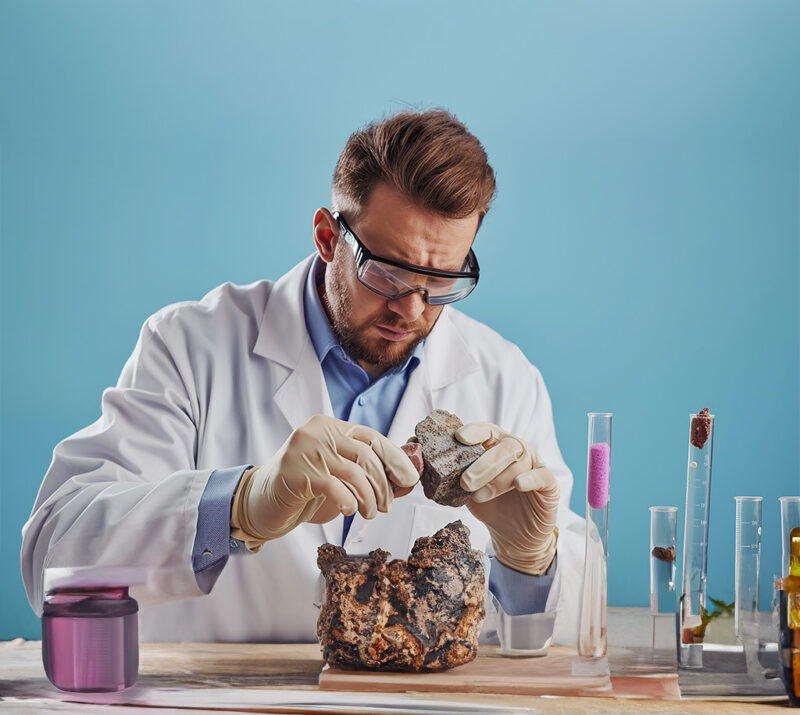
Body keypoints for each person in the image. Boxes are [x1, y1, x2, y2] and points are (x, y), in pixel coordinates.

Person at [21, 110, 584, 649]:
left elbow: (579, 629)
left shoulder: (505, 376)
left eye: (440, 281)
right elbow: (53, 557)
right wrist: (239, 504)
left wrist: (531, 561)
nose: (412, 310)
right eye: (386, 273)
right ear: (326, 237)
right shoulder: (191, 346)